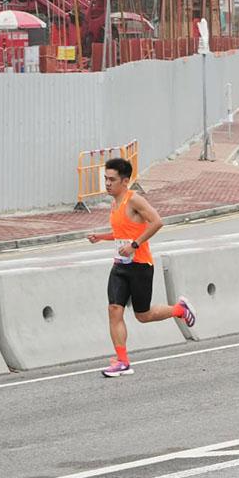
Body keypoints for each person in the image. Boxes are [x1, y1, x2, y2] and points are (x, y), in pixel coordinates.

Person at [86, 157, 196, 377]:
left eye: (112, 179)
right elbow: (122, 234)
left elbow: (157, 222)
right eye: (105, 179)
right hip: (120, 265)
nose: (107, 184)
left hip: (140, 266)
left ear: (125, 181)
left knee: (142, 315)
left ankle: (179, 309)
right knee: (114, 310)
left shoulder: (134, 200)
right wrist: (101, 237)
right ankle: (122, 362)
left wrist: (135, 245)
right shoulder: (114, 203)